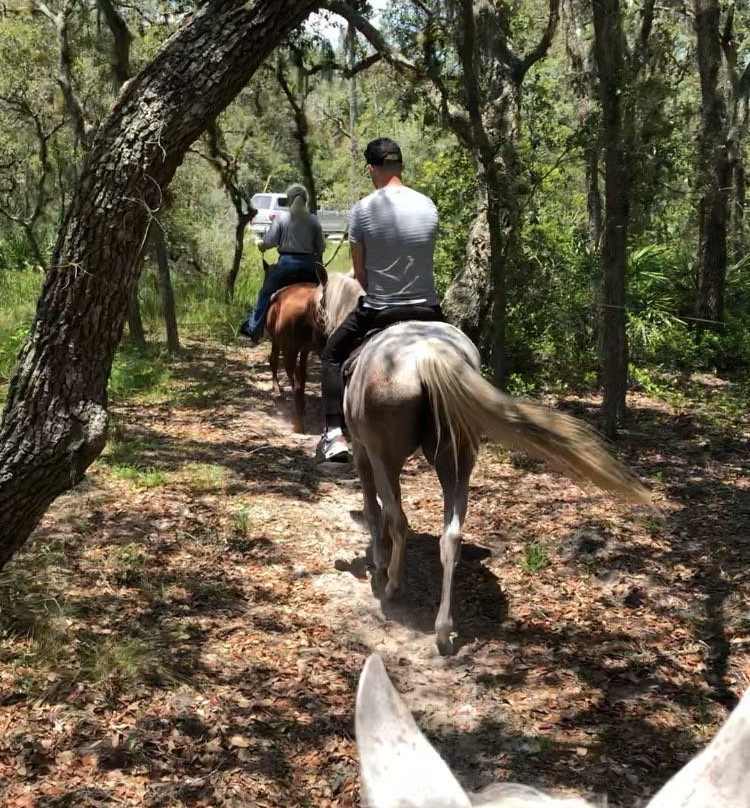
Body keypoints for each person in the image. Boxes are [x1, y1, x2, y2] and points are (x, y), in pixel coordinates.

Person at [316, 137, 444, 463]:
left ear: (372, 169)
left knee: (331, 354)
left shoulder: (362, 210)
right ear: (400, 165)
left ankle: (334, 434)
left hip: (380, 310)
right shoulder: (428, 205)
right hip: (429, 310)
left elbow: (361, 277)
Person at [244, 184, 325, 344]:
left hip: (287, 265)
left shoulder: (281, 218)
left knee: (265, 293)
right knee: (325, 297)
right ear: (305, 200)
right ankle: (326, 333)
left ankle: (254, 330)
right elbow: (321, 247)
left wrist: (261, 246)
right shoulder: (313, 220)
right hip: (310, 266)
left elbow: (269, 241)